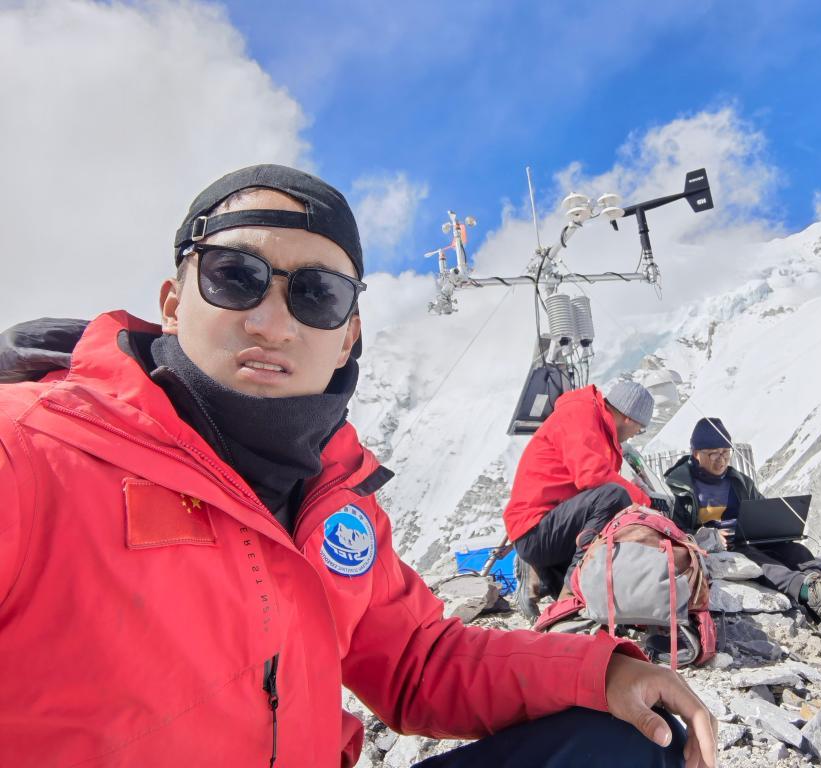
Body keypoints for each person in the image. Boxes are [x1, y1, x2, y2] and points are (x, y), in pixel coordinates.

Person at [0, 165, 718, 768]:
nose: (272, 322)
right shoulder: (31, 454)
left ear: (348, 338)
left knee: (632, 744)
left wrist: (602, 672)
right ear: (171, 302)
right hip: (543, 531)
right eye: (234, 277)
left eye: (316, 295)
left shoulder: (333, 495)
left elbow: (417, 662)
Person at [664, 417, 821, 642]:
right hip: (718, 548)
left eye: (725, 452)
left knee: (795, 551)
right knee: (760, 561)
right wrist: (711, 536)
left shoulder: (738, 481)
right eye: (714, 454)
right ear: (696, 453)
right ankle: (808, 592)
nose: (721, 460)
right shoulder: (678, 486)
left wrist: (774, 527)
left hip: (746, 537)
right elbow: (675, 530)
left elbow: (761, 510)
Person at [504, 381, 654, 613]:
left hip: (555, 527)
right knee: (614, 497)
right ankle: (570, 591)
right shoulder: (580, 414)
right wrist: (645, 501)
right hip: (535, 529)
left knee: (592, 614)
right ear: (629, 418)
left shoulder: (599, 428)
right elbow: (592, 476)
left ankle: (546, 582)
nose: (636, 434)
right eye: (640, 428)